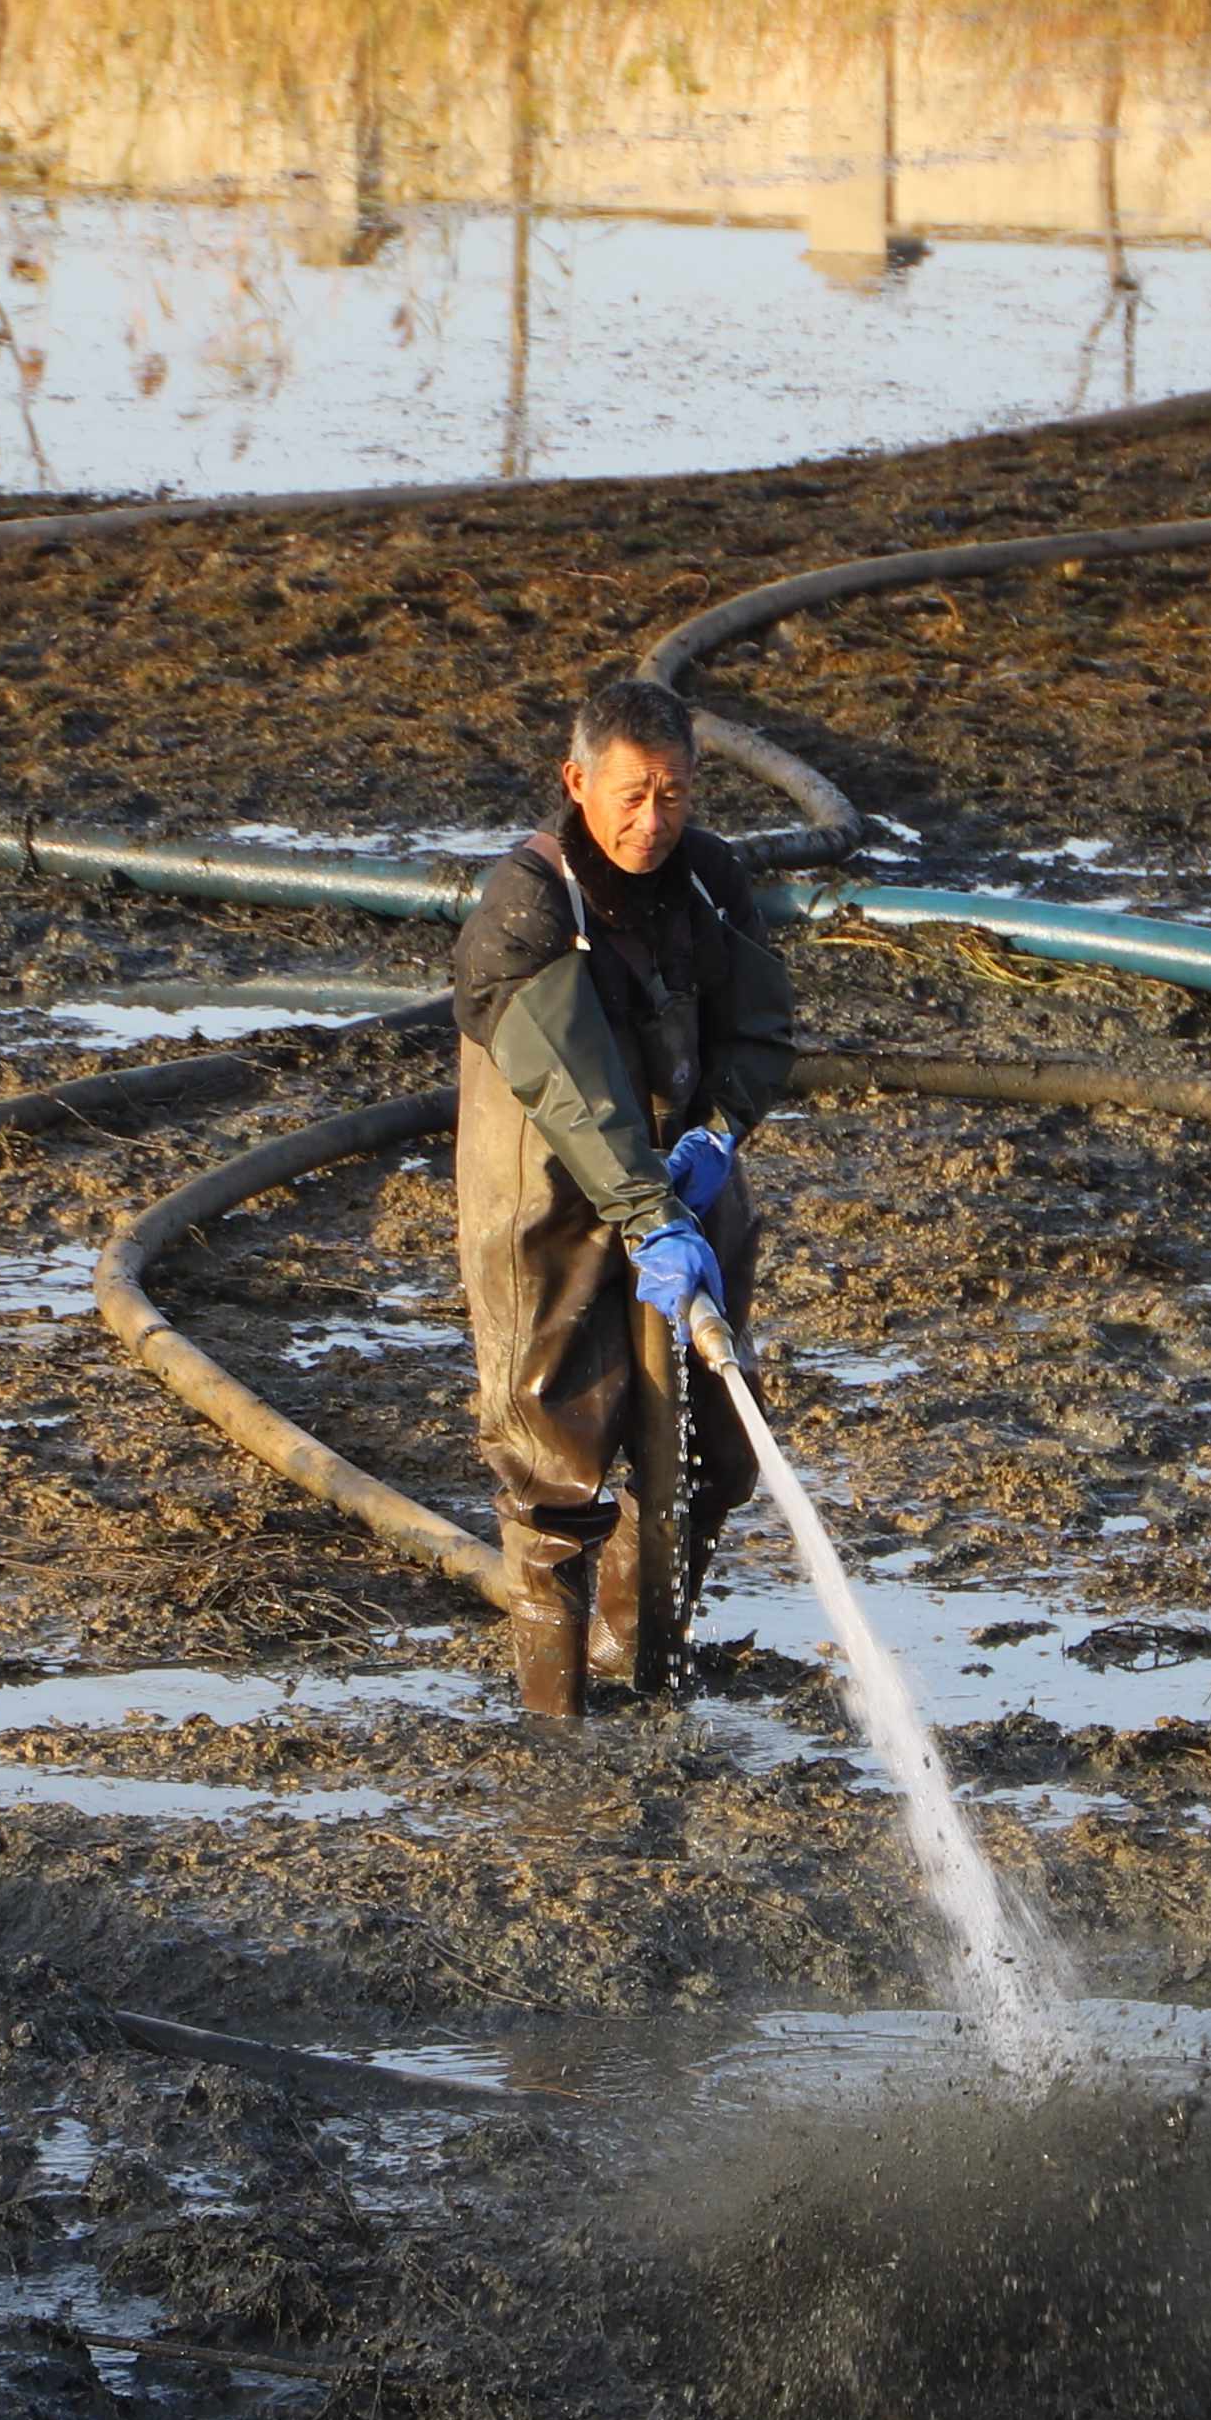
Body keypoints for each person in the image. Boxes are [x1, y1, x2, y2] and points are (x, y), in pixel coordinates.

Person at [452, 673, 796, 1716]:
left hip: (684, 1196)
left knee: (712, 1451)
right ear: (577, 781)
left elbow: (761, 1029)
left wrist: (719, 1132)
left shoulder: (710, 881)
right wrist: (645, 1212)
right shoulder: (526, 907)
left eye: (677, 796)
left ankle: (640, 1665)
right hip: (549, 1203)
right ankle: (557, 1725)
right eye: (632, 795)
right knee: (554, 1460)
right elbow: (576, 1091)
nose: (653, 822)